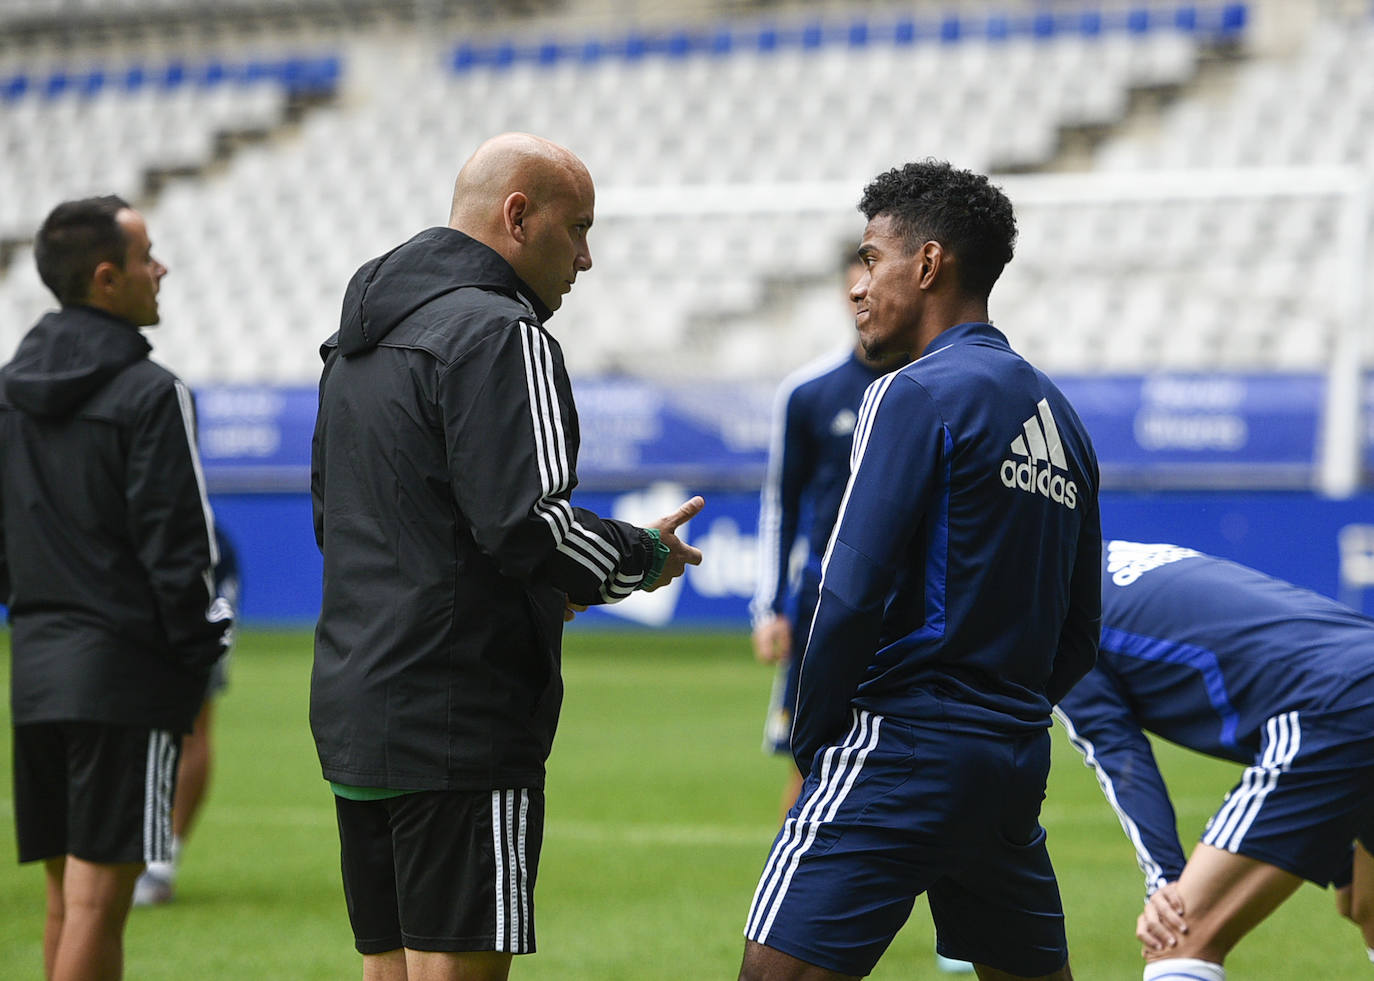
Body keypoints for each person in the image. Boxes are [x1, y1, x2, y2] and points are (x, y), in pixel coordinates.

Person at [310, 132, 704, 981]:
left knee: (388, 967)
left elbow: (347, 523)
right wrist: (643, 556)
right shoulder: (500, 332)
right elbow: (528, 526)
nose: (588, 258)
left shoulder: (353, 342)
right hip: (460, 714)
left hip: (356, 705)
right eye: (579, 228)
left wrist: (527, 587)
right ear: (517, 216)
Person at [738, 160, 1101, 981]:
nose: (857, 284)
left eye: (871, 258)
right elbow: (1080, 630)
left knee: (771, 974)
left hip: (902, 745)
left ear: (928, 265)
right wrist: (1005, 715)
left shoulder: (911, 393)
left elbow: (850, 586)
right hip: (1011, 760)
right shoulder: (1061, 419)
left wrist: (820, 733)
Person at [0, 195, 233, 981]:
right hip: (125, 679)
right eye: (147, 257)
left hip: (35, 672)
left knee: (66, 902)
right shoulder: (151, 393)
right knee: (101, 906)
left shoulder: (5, 395)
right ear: (106, 279)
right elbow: (180, 551)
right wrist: (201, 643)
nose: (160, 270)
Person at [1055, 540, 1374, 981]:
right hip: (1357, 668)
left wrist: (1165, 880)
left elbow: (1115, 750)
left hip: (1333, 704)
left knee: (1180, 937)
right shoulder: (1107, 555)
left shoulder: (1051, 606)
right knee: (1365, 899)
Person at [751, 251, 910, 821]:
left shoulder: (929, 387)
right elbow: (782, 504)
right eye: (855, 288)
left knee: (913, 757)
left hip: (910, 607)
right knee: (809, 758)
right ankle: (794, 882)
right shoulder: (808, 393)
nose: (863, 299)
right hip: (825, 601)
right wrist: (770, 608)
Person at [133, 526, 240, 906]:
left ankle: (161, 863)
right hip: (117, 571)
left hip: (193, 570)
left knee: (193, 722)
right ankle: (107, 855)